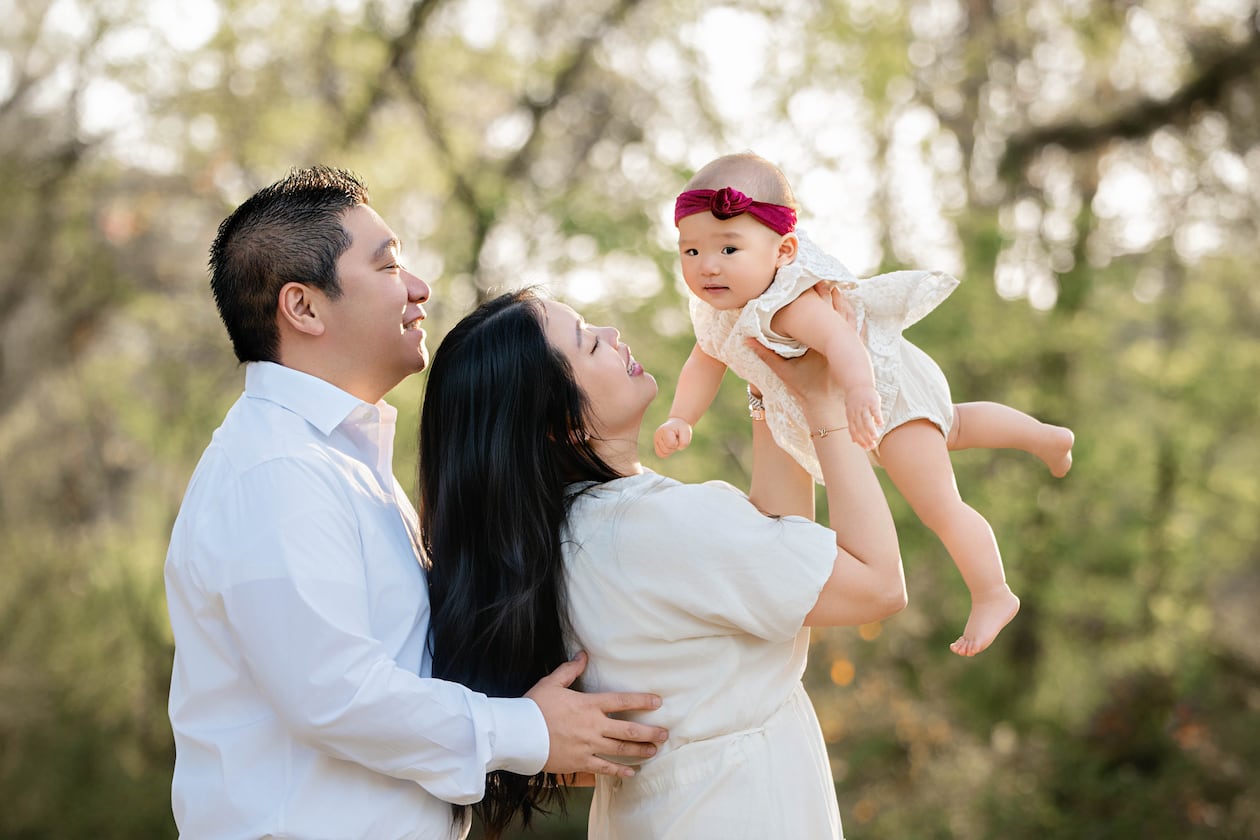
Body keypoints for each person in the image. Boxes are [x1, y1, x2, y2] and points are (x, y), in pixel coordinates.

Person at [164, 166, 668, 840]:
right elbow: (335, 694)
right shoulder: (277, 471)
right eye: (388, 266)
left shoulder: (341, 462)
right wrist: (526, 731)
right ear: (303, 308)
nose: (419, 287)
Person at [418, 287, 907, 839]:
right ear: (560, 421)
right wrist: (828, 409)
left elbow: (780, 553)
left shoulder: (561, 540)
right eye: (587, 342)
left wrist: (768, 383)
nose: (611, 334)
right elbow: (877, 584)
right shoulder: (650, 526)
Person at [653, 152, 1075, 657]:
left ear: (783, 251)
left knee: (938, 503)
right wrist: (682, 417)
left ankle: (992, 591)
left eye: (728, 248)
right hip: (881, 390)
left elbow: (841, 341)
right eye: (691, 251)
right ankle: (1045, 436)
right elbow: (704, 363)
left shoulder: (787, 303)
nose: (707, 266)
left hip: (879, 395)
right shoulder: (721, 310)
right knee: (955, 423)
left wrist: (858, 393)